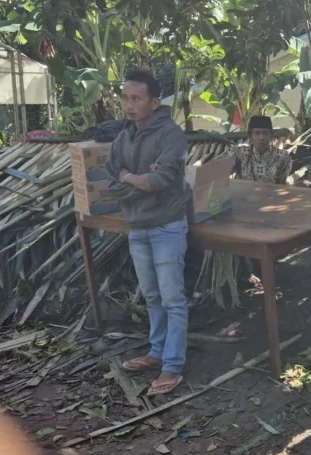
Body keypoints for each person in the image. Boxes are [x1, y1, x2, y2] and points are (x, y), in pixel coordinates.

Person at [106, 69, 192, 396]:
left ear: (154, 102)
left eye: (137, 98)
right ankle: (157, 353)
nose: (129, 104)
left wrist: (132, 177)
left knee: (172, 298)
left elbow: (160, 181)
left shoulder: (171, 135)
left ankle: (173, 364)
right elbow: (112, 180)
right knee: (153, 296)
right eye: (126, 97)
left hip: (167, 226)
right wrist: (136, 179)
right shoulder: (124, 136)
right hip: (137, 226)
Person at [235, 115, 291, 184]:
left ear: (271, 135)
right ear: (250, 136)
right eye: (257, 133)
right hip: (244, 194)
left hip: (271, 194)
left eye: (265, 133)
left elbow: (284, 185)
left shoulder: (282, 157)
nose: (261, 137)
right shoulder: (240, 153)